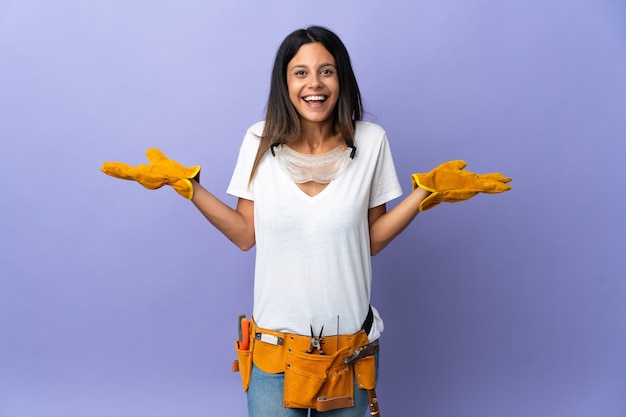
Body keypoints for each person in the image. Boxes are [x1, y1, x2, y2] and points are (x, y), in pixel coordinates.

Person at [101, 26, 511, 417]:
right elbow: (246, 234)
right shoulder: (258, 141)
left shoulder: (371, 141)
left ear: (341, 79)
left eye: (325, 71)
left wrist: (426, 193)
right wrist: (190, 188)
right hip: (274, 353)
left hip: (350, 353)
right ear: (286, 83)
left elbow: (370, 240)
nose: (314, 83)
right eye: (301, 72)